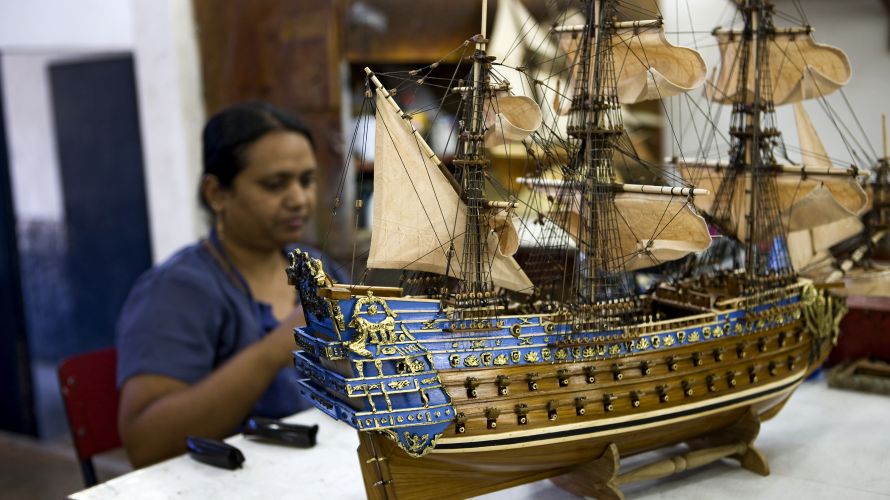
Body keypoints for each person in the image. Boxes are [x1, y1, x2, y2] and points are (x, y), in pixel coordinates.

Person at [115, 102, 343, 467]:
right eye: (275, 184)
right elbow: (145, 442)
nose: (299, 199)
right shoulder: (177, 291)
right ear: (217, 193)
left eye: (306, 180)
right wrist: (272, 352)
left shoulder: (314, 269)